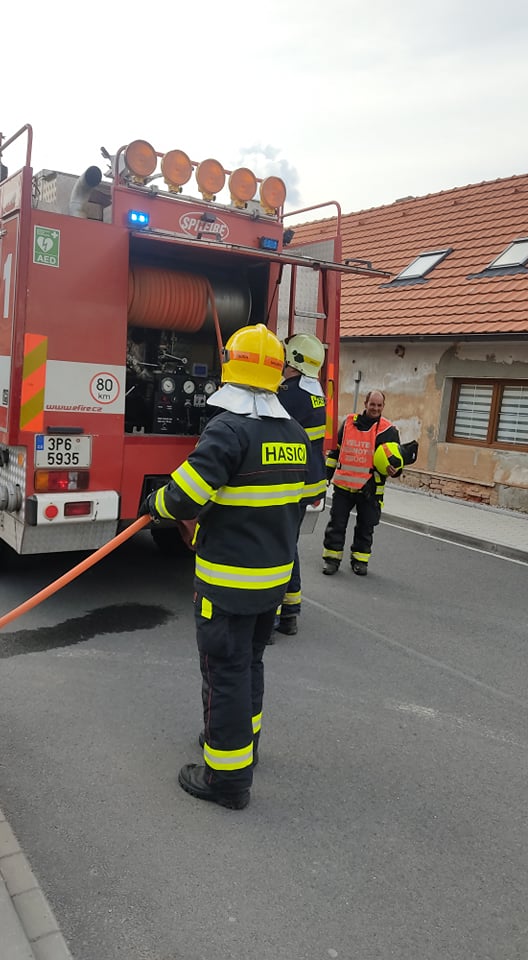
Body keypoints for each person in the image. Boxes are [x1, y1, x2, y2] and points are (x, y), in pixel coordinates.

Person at [140, 324, 310, 810]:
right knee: (249, 664)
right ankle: (240, 745)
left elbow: (184, 498)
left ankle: (227, 779)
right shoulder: (294, 434)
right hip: (272, 581)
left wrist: (154, 504)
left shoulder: (228, 430)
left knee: (225, 673)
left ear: (230, 367)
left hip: (228, 583)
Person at [322, 390, 416, 577]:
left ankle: (360, 561)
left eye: (379, 405)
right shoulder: (348, 423)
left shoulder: (389, 431)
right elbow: (335, 452)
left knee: (366, 528)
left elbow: (396, 461)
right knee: (336, 525)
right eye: (372, 404)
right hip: (343, 486)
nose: (375, 408)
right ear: (365, 404)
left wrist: (396, 471)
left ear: (383, 406)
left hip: (371, 489)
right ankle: (331, 560)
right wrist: (326, 476)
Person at [274, 332, 327, 636]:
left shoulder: (288, 393)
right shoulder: (315, 391)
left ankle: (272, 618)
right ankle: (290, 613)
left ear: (294, 361)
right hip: (309, 482)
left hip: (290, 482)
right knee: (287, 544)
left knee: (276, 547)